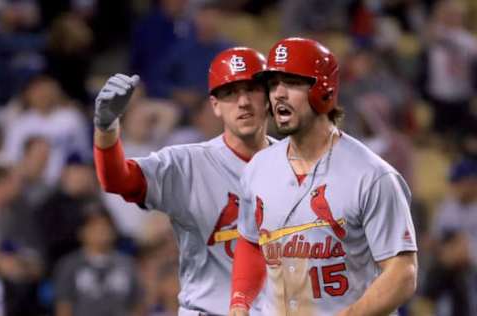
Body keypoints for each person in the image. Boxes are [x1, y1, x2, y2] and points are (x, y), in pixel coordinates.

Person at [230, 37, 418, 316]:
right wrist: (240, 301)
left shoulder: (372, 175)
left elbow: (403, 273)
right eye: (272, 84)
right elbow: (250, 241)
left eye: (291, 82)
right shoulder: (259, 167)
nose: (278, 94)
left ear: (324, 90)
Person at [93, 47, 271, 315]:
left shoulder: (297, 164)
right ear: (215, 106)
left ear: (269, 96)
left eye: (252, 89)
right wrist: (106, 129)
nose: (243, 101)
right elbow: (119, 180)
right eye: (230, 93)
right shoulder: (186, 163)